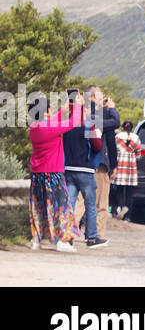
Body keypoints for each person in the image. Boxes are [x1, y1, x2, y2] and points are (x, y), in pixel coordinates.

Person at [28, 91, 82, 252]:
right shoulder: (47, 128)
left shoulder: (35, 127)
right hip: (53, 174)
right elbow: (73, 122)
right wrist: (78, 105)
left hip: (37, 174)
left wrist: (64, 110)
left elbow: (52, 121)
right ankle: (63, 240)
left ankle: (36, 240)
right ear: (46, 111)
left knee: (38, 207)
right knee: (61, 207)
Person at [64, 88, 107, 248]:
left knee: (70, 204)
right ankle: (92, 238)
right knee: (90, 205)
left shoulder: (66, 123)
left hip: (68, 168)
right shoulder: (87, 124)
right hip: (85, 169)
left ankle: (67, 237)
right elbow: (97, 146)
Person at [86, 87, 119, 232]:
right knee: (101, 203)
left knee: (81, 202)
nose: (104, 95)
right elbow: (112, 135)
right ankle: (97, 234)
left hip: (82, 164)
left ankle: (69, 236)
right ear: (94, 95)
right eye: (101, 93)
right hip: (99, 164)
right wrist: (111, 109)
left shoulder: (81, 112)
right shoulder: (103, 114)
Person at [111, 121, 141, 219]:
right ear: (132, 129)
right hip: (131, 168)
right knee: (129, 192)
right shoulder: (136, 139)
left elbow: (113, 151)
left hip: (119, 166)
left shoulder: (117, 138)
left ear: (123, 128)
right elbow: (138, 155)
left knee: (119, 190)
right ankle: (128, 217)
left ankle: (122, 206)